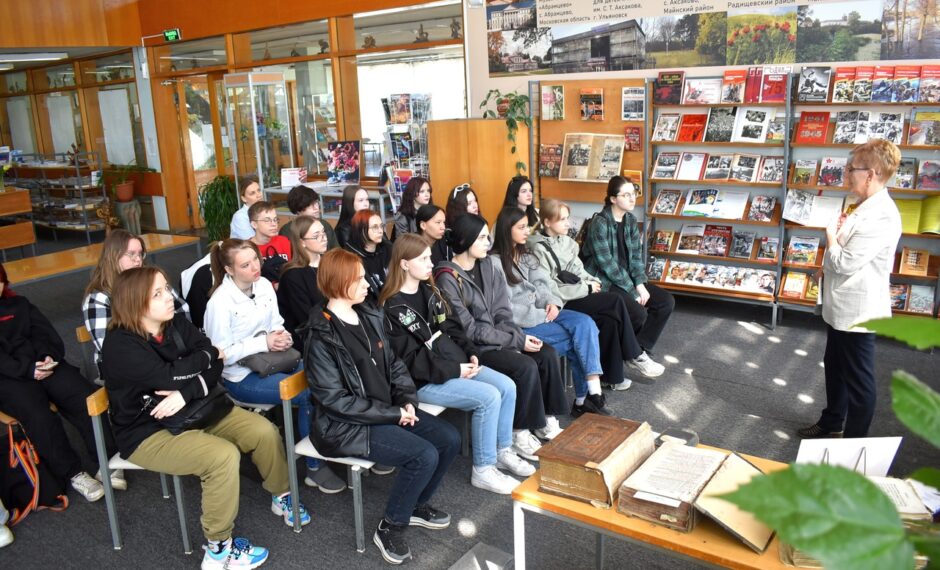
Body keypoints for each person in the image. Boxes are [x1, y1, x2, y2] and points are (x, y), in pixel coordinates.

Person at [100, 266, 309, 569]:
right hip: (147, 432)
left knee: (263, 430)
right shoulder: (120, 345)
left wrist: (187, 390)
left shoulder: (174, 323)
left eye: (166, 288)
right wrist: (206, 360)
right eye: (157, 293)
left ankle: (282, 495)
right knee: (222, 456)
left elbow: (213, 361)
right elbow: (171, 375)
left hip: (196, 408)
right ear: (135, 303)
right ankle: (219, 551)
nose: (169, 297)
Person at [304, 249, 460, 565]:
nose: (367, 284)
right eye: (359, 279)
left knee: (448, 439)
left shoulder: (368, 315)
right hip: (345, 426)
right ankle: (390, 526)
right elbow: (336, 402)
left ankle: (415, 505)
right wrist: (393, 413)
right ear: (338, 283)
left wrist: (407, 401)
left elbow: (394, 365)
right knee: (423, 455)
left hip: (385, 410)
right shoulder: (320, 336)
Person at [380, 235, 533, 495]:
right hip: (420, 381)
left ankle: (502, 450)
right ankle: (483, 469)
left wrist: (471, 353)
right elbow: (410, 360)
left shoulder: (430, 291)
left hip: (452, 365)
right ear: (404, 264)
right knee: (488, 397)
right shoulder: (391, 307)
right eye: (423, 259)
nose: (431, 264)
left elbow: (453, 329)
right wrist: (455, 370)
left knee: (507, 386)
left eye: (430, 257)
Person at [204, 240, 345, 494]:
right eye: (245, 265)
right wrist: (264, 342)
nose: (255, 267)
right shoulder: (220, 302)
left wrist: (283, 337)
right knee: (309, 392)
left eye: (255, 260)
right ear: (229, 270)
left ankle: (332, 441)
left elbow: (276, 322)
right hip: (241, 377)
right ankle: (314, 466)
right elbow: (220, 355)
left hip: (274, 360)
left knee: (328, 374)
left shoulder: (263, 285)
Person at [436, 214, 567, 459]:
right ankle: (518, 432)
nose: (488, 242)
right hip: (474, 349)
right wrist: (516, 342)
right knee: (525, 366)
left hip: (498, 338)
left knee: (546, 354)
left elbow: (502, 311)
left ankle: (543, 420)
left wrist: (516, 336)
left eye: (487, 237)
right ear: (465, 240)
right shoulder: (447, 278)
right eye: (482, 238)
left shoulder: (487, 265)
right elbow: (470, 331)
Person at [799, 140, 903, 440]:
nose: (846, 174)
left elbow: (844, 262)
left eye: (851, 169)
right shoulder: (865, 206)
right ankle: (832, 420)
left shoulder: (882, 215)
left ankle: (854, 444)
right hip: (842, 306)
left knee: (859, 382)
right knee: (835, 366)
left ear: (870, 174)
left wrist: (831, 237)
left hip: (859, 312)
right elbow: (852, 253)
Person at [0, 262, 124, 502]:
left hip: (43, 365)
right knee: (39, 416)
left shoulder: (20, 304)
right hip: (10, 378)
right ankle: (73, 473)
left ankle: (107, 458)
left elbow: (44, 333)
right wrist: (27, 369)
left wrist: (47, 356)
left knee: (83, 395)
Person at [492, 207, 613, 418]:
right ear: (506, 229)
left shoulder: (525, 255)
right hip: (523, 323)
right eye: (521, 227)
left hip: (545, 313)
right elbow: (506, 307)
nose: (527, 231)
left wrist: (552, 302)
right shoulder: (493, 263)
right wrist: (542, 314)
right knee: (578, 340)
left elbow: (543, 284)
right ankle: (585, 399)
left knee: (585, 324)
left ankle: (592, 393)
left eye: (527, 226)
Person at [529, 200, 664, 386]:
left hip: (577, 291)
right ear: (547, 222)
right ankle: (634, 355)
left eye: (568, 218)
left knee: (610, 319)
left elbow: (578, 269)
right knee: (615, 301)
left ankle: (611, 378)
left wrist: (593, 281)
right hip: (561, 301)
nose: (568, 223)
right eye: (562, 219)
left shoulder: (567, 242)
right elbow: (548, 288)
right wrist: (587, 288)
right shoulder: (536, 249)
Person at [582, 176, 675, 361]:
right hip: (605, 281)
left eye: (634, 193)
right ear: (613, 199)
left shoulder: (631, 220)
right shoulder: (599, 223)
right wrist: (633, 291)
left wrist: (639, 283)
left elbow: (636, 258)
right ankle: (633, 354)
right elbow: (607, 265)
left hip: (627, 278)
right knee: (637, 313)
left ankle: (637, 349)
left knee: (666, 302)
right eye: (626, 195)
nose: (633, 198)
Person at [84, 229, 190, 365]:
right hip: (128, 366)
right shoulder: (98, 299)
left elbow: (182, 310)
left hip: (167, 354)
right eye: (131, 254)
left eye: (140, 253)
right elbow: (110, 348)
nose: (138, 260)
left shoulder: (153, 281)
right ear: (113, 256)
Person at [277, 215, 328, 341]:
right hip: (309, 338)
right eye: (316, 236)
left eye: (323, 232)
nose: (324, 238)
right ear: (302, 242)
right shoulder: (293, 276)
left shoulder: (330, 263)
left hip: (332, 328)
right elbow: (306, 318)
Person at [344, 209, 392, 304]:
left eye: (381, 226)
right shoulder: (350, 257)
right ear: (361, 230)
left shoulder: (387, 248)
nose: (380, 231)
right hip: (370, 305)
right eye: (375, 227)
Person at [279, 184, 338, 250]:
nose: (316, 208)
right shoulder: (287, 231)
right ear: (298, 209)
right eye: (310, 205)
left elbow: (337, 252)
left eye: (316, 202)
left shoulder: (324, 225)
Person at [248, 201, 292, 285]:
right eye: (267, 220)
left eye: (275, 219)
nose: (274, 224)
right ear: (254, 224)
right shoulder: (247, 248)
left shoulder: (284, 241)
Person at [231, 175, 263, 240]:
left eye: (259, 190)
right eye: (252, 193)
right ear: (244, 198)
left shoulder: (264, 211)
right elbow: (253, 242)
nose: (258, 195)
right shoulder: (240, 217)